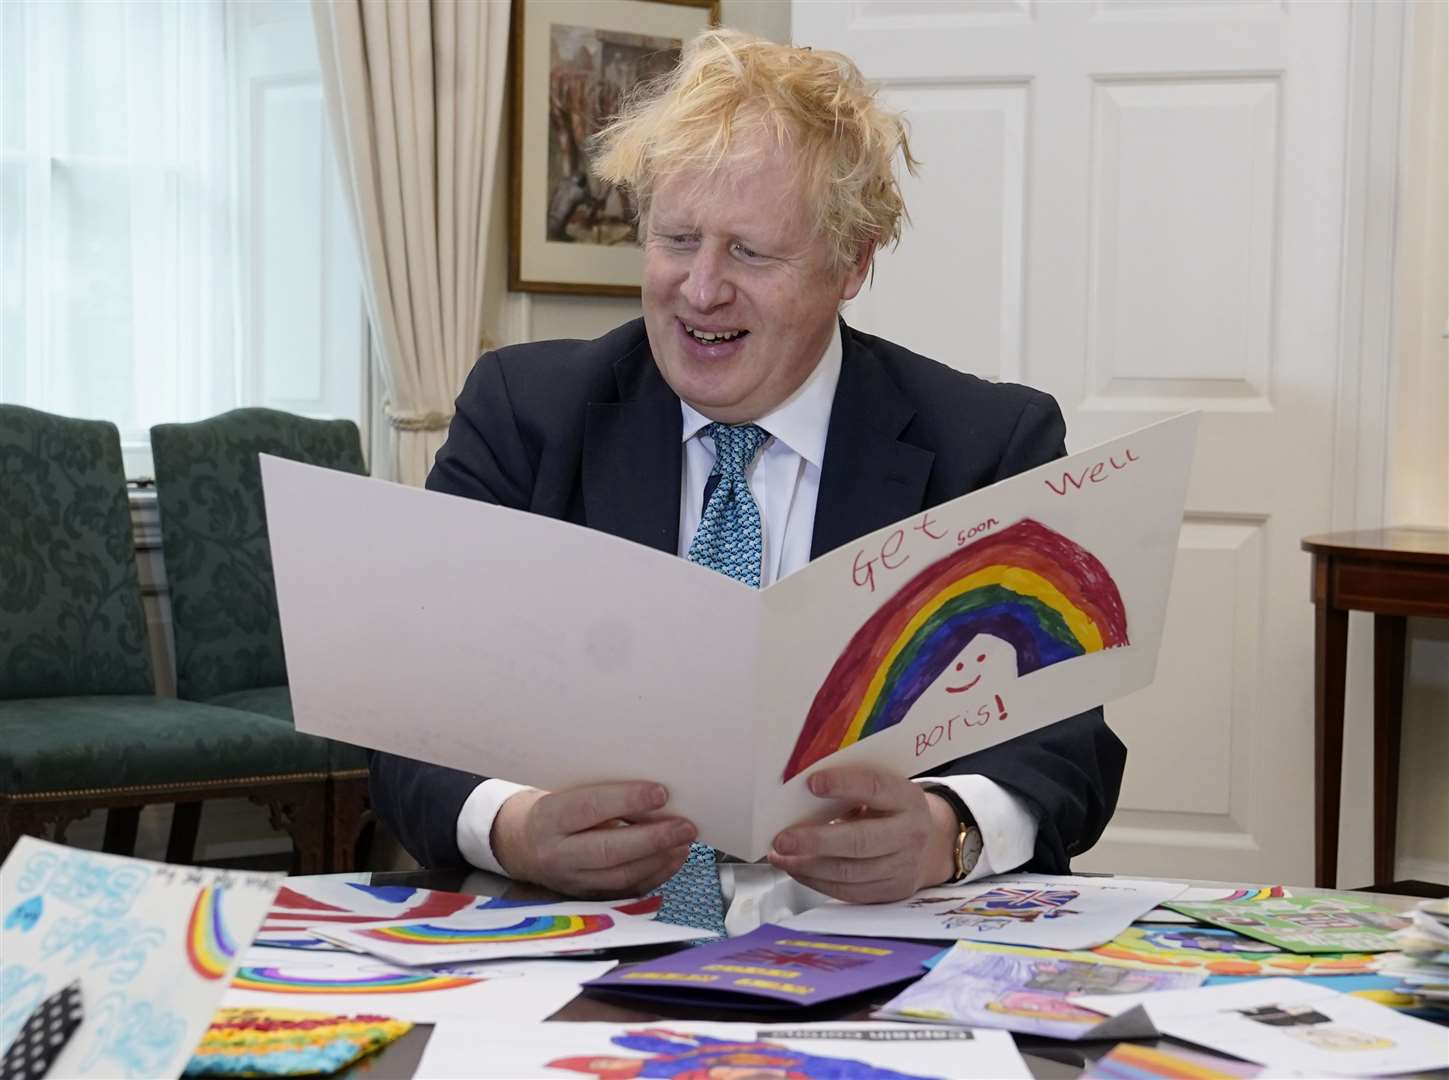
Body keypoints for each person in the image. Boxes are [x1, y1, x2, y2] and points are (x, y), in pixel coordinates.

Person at [369, 30, 1124, 909]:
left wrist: (946, 832)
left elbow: (1064, 743)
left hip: (867, 944)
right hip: (573, 937)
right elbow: (407, 719)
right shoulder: (523, 415)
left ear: (853, 261)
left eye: (750, 252)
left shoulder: (987, 445)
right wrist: (515, 828)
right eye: (676, 238)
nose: (699, 288)